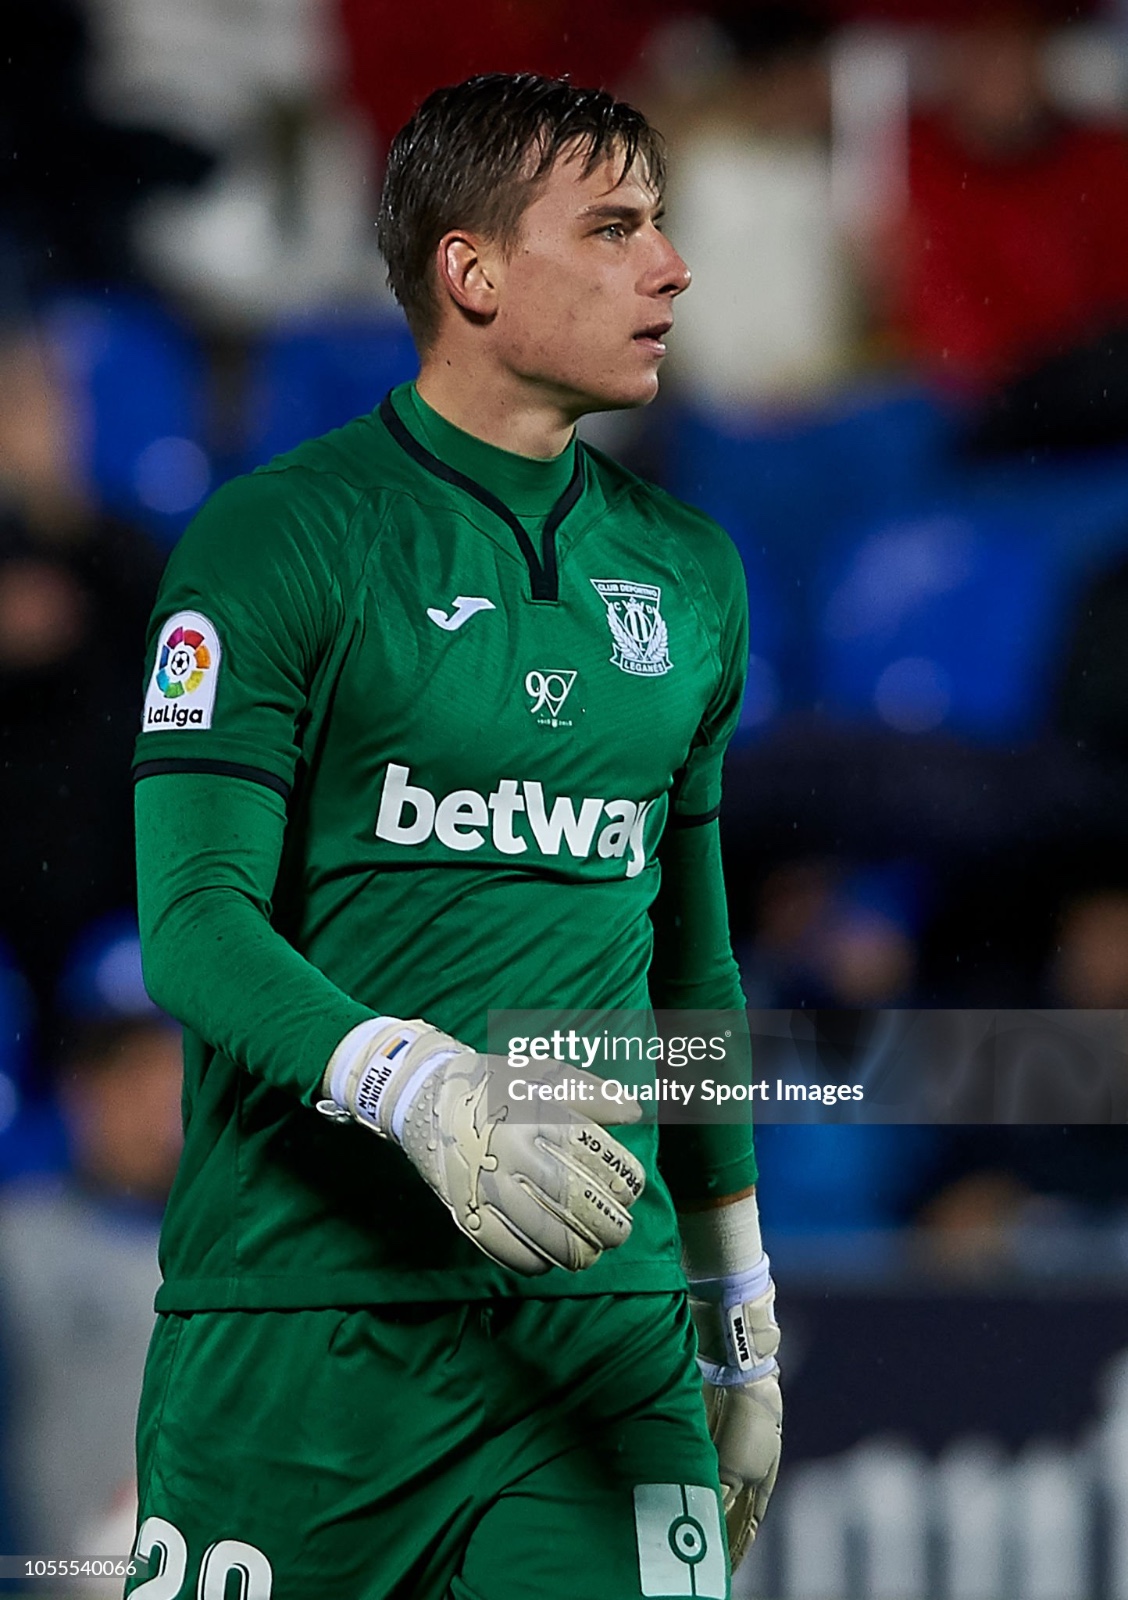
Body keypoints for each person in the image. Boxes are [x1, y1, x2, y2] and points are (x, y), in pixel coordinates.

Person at [127, 74, 781, 1600]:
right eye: (614, 229)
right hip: (300, 1326)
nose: (669, 266)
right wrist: (417, 1084)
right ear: (472, 274)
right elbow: (197, 921)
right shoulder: (279, 538)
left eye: (663, 225)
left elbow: (693, 957)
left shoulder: (690, 574)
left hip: (594, 1331)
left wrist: (734, 1293)